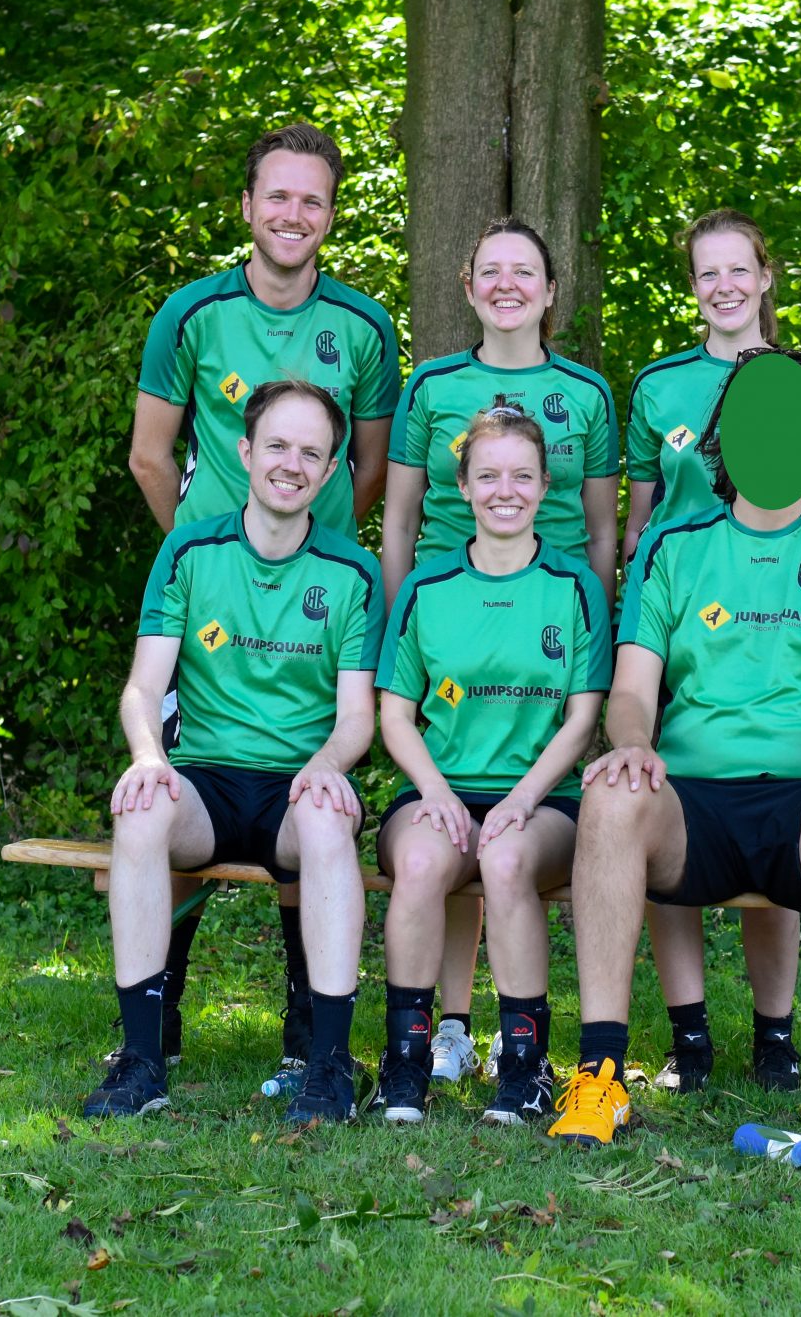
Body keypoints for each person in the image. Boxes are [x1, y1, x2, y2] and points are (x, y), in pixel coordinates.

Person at [547, 351, 801, 1160]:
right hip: (693, 804)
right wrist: (631, 745)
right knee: (610, 792)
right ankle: (599, 1075)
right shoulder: (671, 546)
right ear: (723, 435)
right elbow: (631, 692)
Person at [126, 123, 400, 1090]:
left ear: (331, 213)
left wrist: (306, 545)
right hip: (209, 595)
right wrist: (206, 555)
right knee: (175, 788)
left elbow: (370, 468)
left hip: (315, 601)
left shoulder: (364, 327)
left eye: (312, 198)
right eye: (276, 195)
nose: (293, 213)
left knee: (307, 784)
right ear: (247, 206)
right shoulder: (192, 314)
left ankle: (307, 1018)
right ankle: (155, 1015)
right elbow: (149, 455)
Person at [85, 380, 382, 1127]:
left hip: (295, 788)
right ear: (245, 451)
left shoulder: (354, 572)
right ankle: (141, 1059)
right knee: (141, 811)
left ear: (332, 468)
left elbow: (357, 718)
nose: (291, 464)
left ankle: (328, 1066)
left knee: (327, 820)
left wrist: (326, 767)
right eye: (277, 445)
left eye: (311, 452)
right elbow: (142, 687)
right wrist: (148, 757)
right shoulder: (189, 550)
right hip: (206, 785)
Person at [621, 209, 801, 1094]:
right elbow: (638, 521)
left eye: (737, 270)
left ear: (765, 278)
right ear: (694, 287)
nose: (723, 286)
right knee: (658, 805)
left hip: (772, 628)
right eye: (706, 272)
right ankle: (690, 1037)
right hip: (676, 620)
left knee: (775, 806)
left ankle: (775, 1033)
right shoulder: (658, 386)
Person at [383, 216, 619, 1081]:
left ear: (552, 290)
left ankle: (518, 1049)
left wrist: (592, 631)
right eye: (491, 270)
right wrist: (403, 627)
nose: (508, 284)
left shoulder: (586, 394)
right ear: (468, 285)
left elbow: (603, 530)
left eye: (526, 271)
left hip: (545, 634)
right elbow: (399, 520)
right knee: (443, 828)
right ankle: (443, 1029)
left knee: (508, 840)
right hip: (452, 636)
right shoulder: (431, 384)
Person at [369, 403, 610, 1125]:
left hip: (543, 801)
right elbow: (394, 715)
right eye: (489, 476)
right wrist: (436, 792)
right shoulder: (426, 587)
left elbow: (582, 718)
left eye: (522, 476)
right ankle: (405, 1063)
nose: (506, 490)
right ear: (463, 486)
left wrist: (523, 799)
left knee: (503, 859)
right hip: (439, 789)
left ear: (545, 486)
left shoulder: (574, 587)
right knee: (419, 861)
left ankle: (525, 1069)